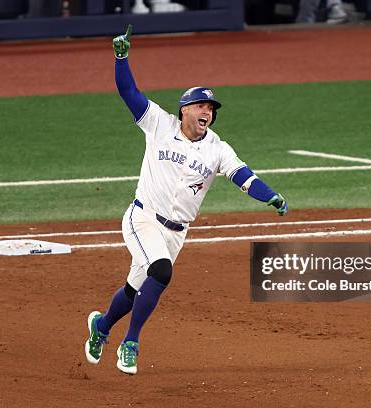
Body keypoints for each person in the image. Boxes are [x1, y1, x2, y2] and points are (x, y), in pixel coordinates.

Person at [84, 24, 288, 375]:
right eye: (200, 105)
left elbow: (243, 175)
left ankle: (101, 327)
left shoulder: (217, 148)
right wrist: (121, 58)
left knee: (135, 291)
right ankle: (130, 344)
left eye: (211, 107)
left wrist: (269, 196)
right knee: (161, 271)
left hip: (176, 233)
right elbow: (128, 91)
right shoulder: (158, 124)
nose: (207, 111)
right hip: (142, 218)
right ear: (185, 110)